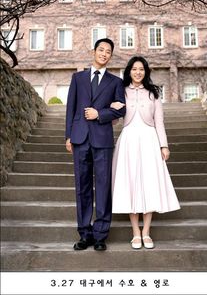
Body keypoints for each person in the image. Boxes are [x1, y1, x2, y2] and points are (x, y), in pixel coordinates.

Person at [111, 56, 180, 249]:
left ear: (146, 71)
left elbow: (159, 122)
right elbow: (114, 121)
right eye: (134, 69)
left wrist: (163, 145)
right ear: (129, 71)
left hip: (149, 140)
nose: (138, 72)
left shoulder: (153, 93)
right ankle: (135, 232)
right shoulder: (121, 91)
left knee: (149, 183)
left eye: (141, 69)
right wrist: (111, 108)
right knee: (130, 183)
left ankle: (146, 232)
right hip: (128, 140)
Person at [65, 38, 126, 251]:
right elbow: (70, 108)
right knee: (82, 187)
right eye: (101, 50)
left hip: (102, 140)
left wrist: (100, 113)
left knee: (102, 186)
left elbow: (121, 110)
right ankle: (85, 233)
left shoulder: (116, 82)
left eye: (108, 51)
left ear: (111, 56)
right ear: (94, 51)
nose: (104, 54)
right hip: (80, 137)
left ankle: (100, 234)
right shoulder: (78, 78)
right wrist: (68, 136)